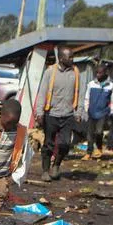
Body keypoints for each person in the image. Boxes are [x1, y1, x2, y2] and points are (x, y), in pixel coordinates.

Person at [35, 47, 79, 179]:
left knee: (65, 143)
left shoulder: (75, 72)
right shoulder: (50, 72)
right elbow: (42, 92)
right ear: (61, 58)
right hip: (51, 114)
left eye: (72, 56)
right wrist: (39, 112)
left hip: (68, 114)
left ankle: (56, 165)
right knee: (48, 144)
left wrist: (79, 111)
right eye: (69, 57)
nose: (72, 59)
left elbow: (79, 93)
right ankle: (45, 171)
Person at [82, 64, 113, 159]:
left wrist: (111, 112)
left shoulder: (111, 86)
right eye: (97, 73)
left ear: (105, 73)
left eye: (100, 73)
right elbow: (87, 97)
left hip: (103, 113)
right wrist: (87, 109)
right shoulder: (91, 84)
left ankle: (99, 148)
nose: (98, 75)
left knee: (99, 132)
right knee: (90, 133)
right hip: (91, 112)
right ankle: (89, 152)